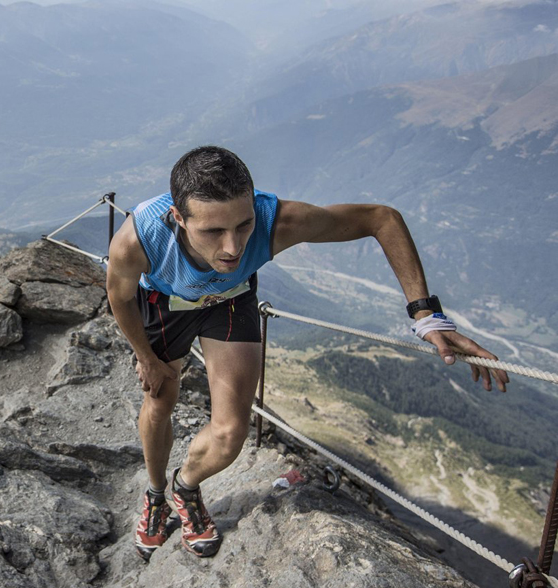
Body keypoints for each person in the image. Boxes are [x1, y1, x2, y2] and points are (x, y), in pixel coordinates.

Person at [105, 145, 510, 562]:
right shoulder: (140, 239)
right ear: (178, 217)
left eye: (243, 225)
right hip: (166, 302)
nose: (232, 247)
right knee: (160, 401)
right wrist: (147, 359)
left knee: (230, 436)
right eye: (212, 232)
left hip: (231, 301)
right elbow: (119, 296)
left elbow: (381, 219)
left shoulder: (277, 221)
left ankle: (184, 488)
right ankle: (155, 496)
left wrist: (425, 315)